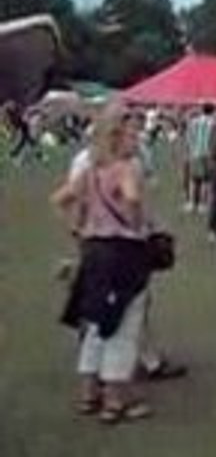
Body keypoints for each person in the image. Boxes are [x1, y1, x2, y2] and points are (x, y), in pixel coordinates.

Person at [52, 106, 155, 423]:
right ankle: (115, 401)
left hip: (93, 250)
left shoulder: (90, 170)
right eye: (132, 133)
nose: (136, 138)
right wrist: (137, 222)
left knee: (96, 323)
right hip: (122, 252)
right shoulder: (125, 169)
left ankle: (89, 393)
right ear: (119, 137)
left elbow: (60, 198)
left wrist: (78, 224)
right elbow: (133, 198)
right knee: (123, 327)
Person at [185, 104, 216, 214]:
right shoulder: (213, 123)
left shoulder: (194, 122)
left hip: (194, 153)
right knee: (206, 181)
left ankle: (191, 203)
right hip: (207, 154)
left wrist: (190, 151)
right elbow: (214, 140)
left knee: (193, 180)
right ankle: (202, 205)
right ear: (212, 111)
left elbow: (189, 137)